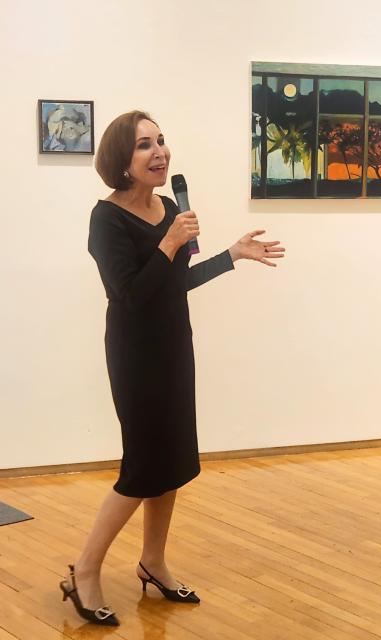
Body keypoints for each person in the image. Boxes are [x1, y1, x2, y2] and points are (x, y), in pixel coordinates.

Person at [59, 110, 285, 626]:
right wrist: (168, 242)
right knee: (142, 468)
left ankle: (153, 562)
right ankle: (85, 570)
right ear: (122, 159)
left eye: (161, 141)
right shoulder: (107, 218)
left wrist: (232, 254)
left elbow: (174, 284)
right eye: (144, 145)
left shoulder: (168, 208)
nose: (159, 152)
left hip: (173, 347)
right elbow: (130, 296)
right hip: (136, 353)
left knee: (174, 464)